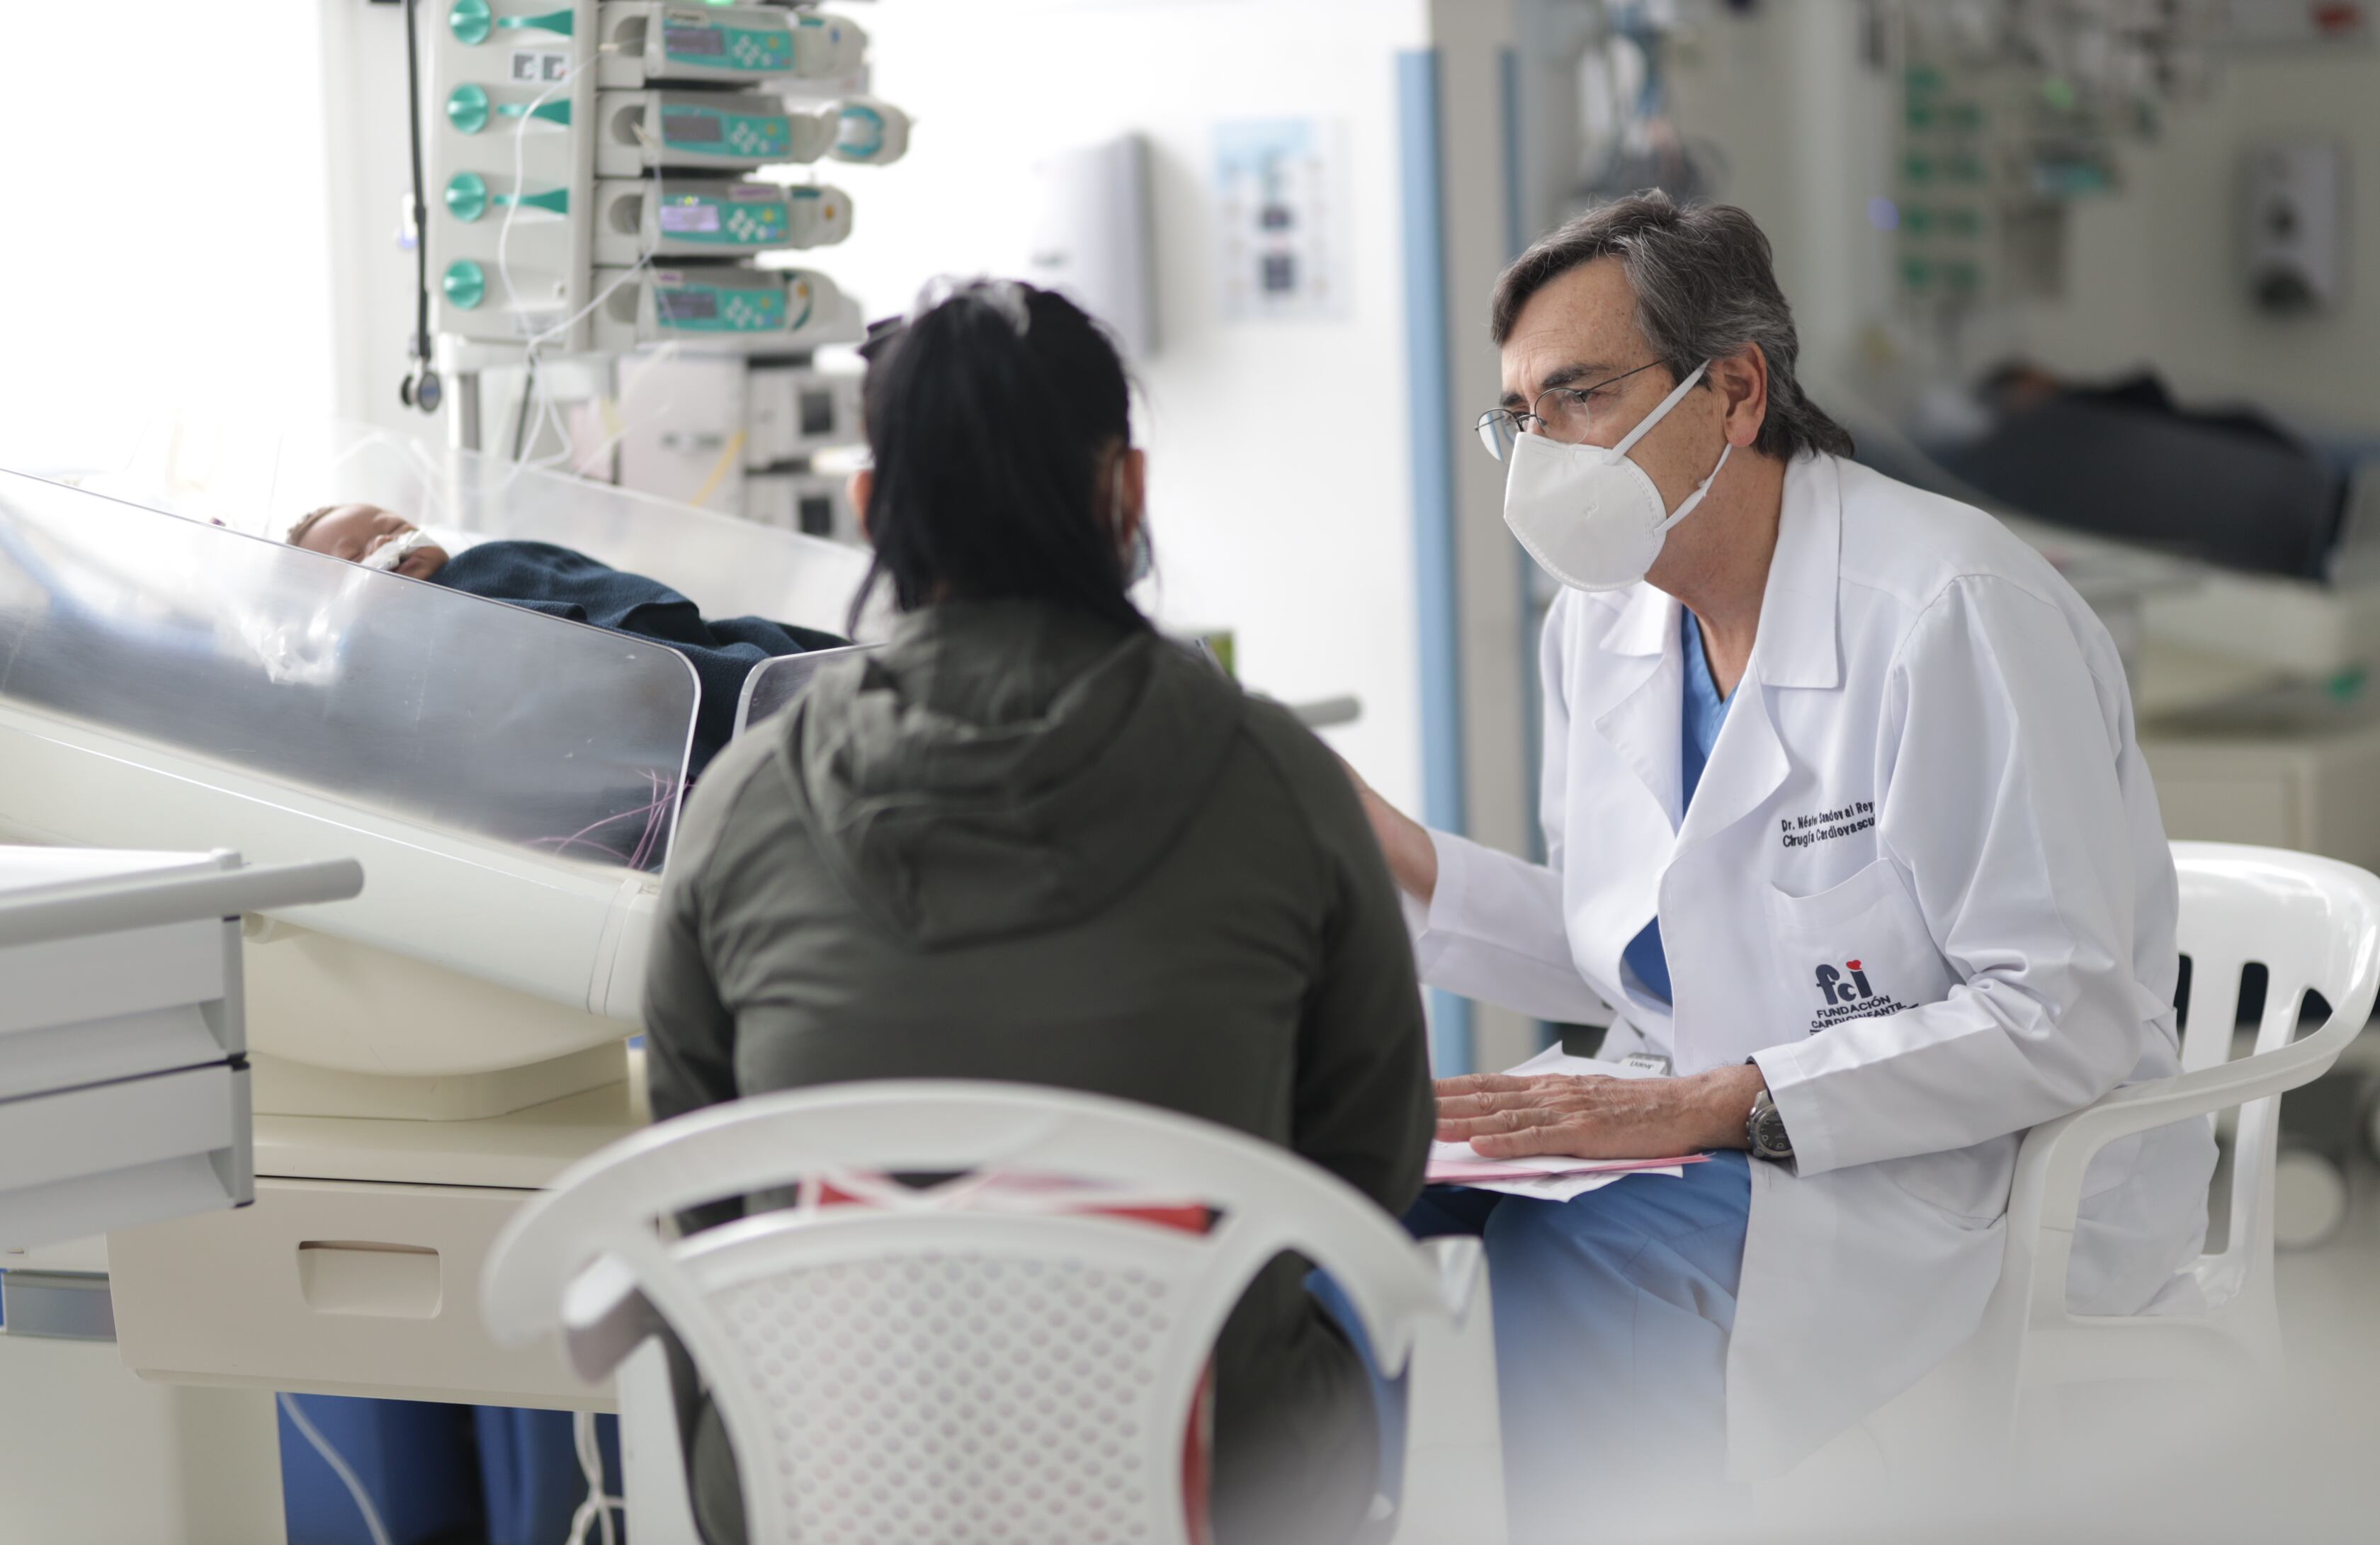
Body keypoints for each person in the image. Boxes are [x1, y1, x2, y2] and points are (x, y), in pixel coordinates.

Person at [1344, 193, 2216, 1531]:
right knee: (1360, 1226)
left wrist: (1711, 1103)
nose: (1538, 456)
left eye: (1577, 395)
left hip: (1969, 1168)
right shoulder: (1603, 628)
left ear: (1736, 391)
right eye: (1518, 417)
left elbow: (2063, 1016)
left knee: (1570, 1269)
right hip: (1715, 1134)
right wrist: (1392, 861)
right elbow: (1634, 947)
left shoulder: (1947, 612)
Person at [639, 278, 1435, 1545]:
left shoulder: (742, 807)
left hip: (828, 1489)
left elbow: (707, 1185)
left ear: (869, 511)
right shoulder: (1274, 779)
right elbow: (1370, 1163)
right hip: (1214, 1488)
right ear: (1127, 490)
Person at [285, 504, 844, 775]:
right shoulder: (388, 672)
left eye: (390, 522)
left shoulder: (488, 563)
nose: (385, 539)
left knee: (779, 671)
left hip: (707, 670)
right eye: (353, 557)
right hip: (647, 746)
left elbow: (633, 606)